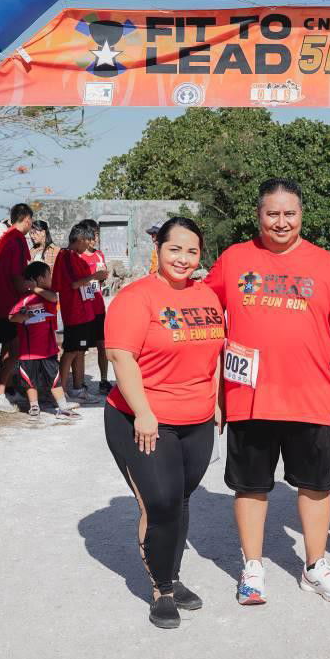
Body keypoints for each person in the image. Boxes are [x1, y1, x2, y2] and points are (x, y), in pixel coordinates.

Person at [204, 178, 330, 605]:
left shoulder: (326, 264)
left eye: (288, 213)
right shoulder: (235, 259)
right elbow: (200, 311)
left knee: (315, 485)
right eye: (272, 213)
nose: (280, 222)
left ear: (301, 215)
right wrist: (209, 385)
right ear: (258, 215)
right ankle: (252, 567)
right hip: (248, 397)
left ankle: (315, 566)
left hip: (309, 397)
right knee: (251, 486)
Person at [104, 217, 226, 629]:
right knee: (159, 505)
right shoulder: (136, 297)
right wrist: (143, 412)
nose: (184, 259)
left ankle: (171, 574)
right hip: (142, 419)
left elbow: (213, 355)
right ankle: (162, 590)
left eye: (192, 251)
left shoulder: (207, 295)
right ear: (158, 249)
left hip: (197, 419)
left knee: (182, 501)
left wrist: (217, 401)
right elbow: (122, 357)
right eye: (176, 249)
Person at [8, 261, 81, 419]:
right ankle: (34, 406)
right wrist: (23, 317)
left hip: (48, 350)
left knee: (55, 380)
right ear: (40, 278)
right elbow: (11, 316)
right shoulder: (25, 299)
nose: (51, 279)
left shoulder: (48, 296)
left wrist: (34, 288)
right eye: (49, 275)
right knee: (30, 382)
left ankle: (62, 407)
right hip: (28, 353)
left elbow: (54, 298)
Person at [0, 204, 35, 412]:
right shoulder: (16, 240)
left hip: (2, 299)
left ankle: (8, 387)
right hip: (11, 302)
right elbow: (17, 275)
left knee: (8, 347)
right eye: (31, 221)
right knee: (15, 349)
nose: (32, 225)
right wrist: (29, 293)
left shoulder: (5, 239)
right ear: (26, 219)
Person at [52, 223, 102, 404]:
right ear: (80, 240)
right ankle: (62, 390)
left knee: (80, 350)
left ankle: (79, 388)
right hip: (74, 312)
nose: (89, 244)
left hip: (84, 310)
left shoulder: (75, 257)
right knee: (71, 350)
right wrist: (94, 276)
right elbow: (73, 284)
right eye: (87, 240)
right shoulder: (66, 256)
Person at [77, 219, 113, 393]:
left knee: (102, 344)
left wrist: (103, 276)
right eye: (93, 235)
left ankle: (104, 380)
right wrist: (94, 275)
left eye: (98, 235)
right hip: (83, 308)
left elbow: (103, 275)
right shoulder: (78, 256)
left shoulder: (99, 255)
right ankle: (80, 380)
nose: (96, 239)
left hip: (98, 306)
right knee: (82, 347)